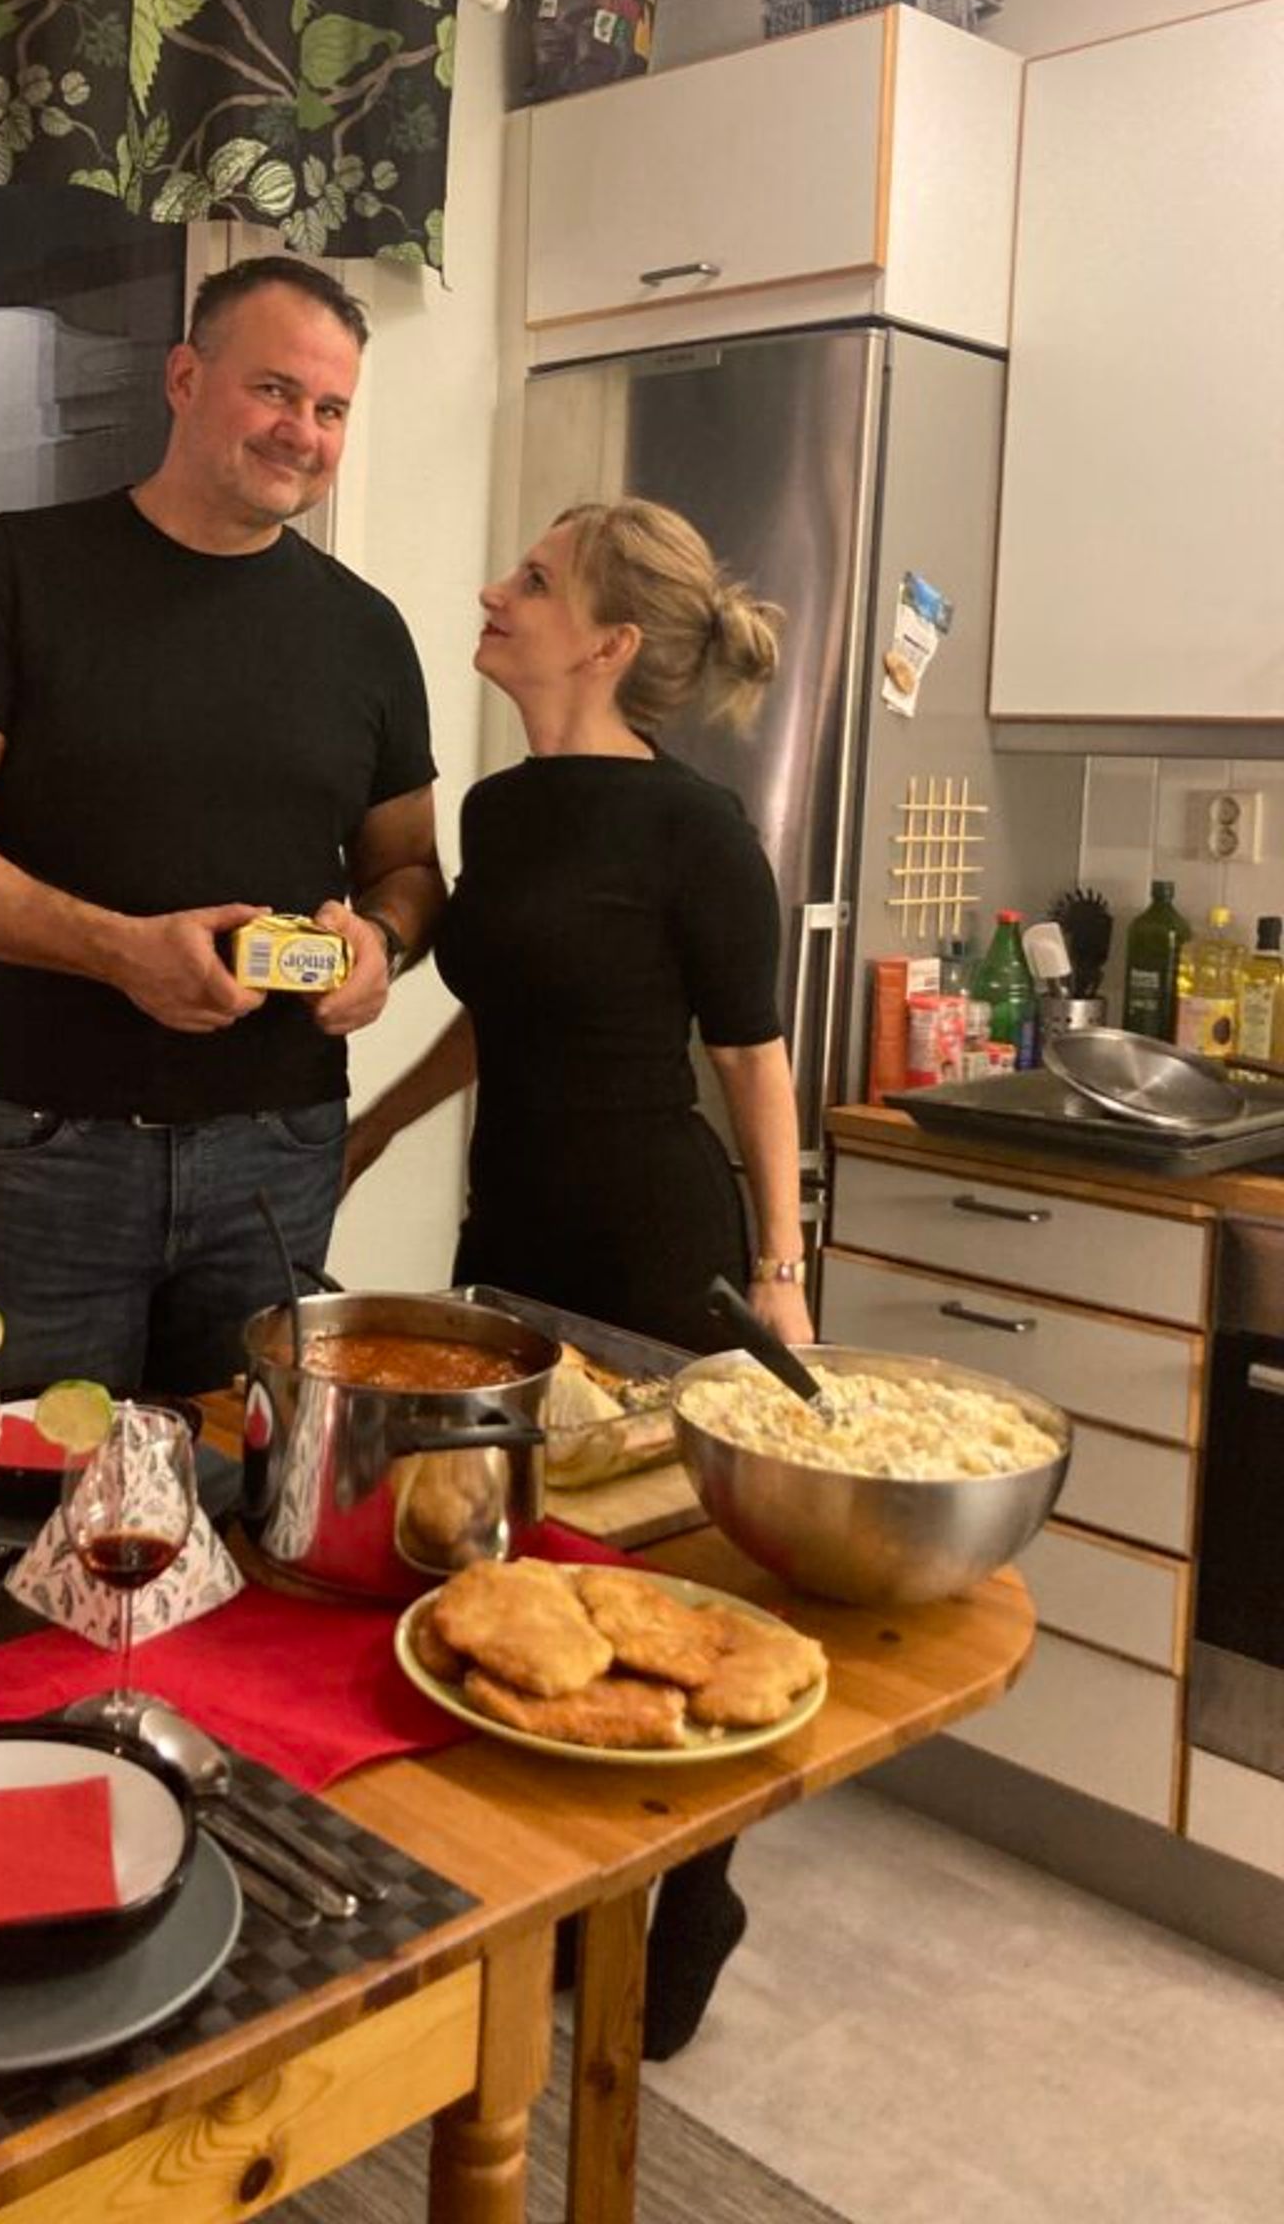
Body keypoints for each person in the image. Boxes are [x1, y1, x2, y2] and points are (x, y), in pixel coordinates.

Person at [343, 494, 813, 2059]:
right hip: (509, 1248)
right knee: (518, 1580)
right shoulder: (506, 808)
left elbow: (751, 1061)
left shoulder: (698, 832)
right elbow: (513, 1006)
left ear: (607, 643)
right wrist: (376, 1132)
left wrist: (781, 1270)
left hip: (657, 1259)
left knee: (669, 1604)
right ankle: (564, 1881)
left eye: (530, 583)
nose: (494, 591)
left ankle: (692, 1897)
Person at [0, 255, 444, 1396]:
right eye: (274, 391)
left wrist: (383, 946)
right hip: (56, 1141)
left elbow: (411, 867)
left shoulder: (366, 633)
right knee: (32, 1503)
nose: (303, 432)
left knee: (251, 1498)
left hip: (282, 1149)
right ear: (183, 376)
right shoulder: (18, 569)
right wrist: (118, 950)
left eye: (330, 409)